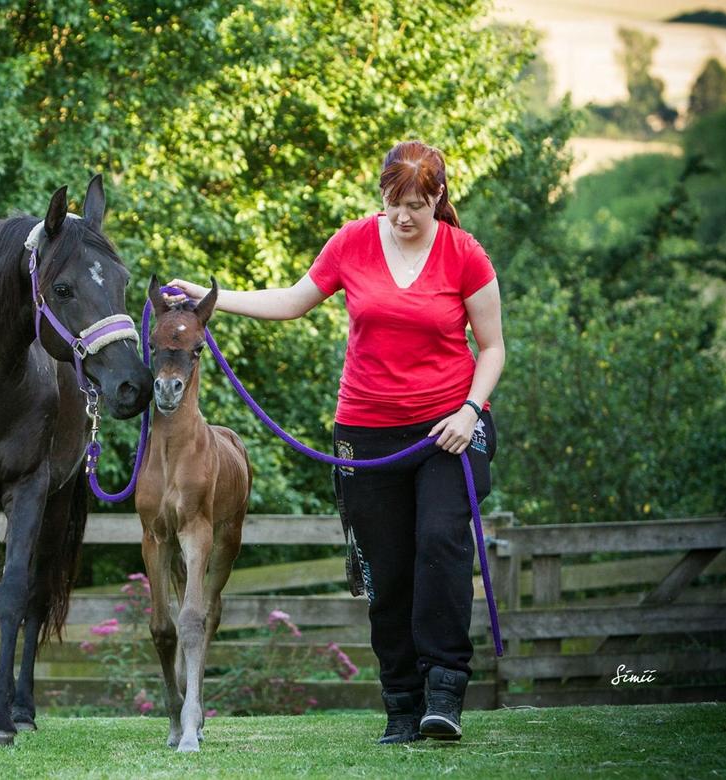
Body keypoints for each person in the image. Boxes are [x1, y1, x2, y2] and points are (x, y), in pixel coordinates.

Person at [167, 140, 504, 743]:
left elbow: (494, 347)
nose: (403, 218)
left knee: (438, 547)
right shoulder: (351, 241)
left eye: (417, 206)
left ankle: (445, 691)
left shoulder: (464, 254)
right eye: (393, 203)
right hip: (366, 432)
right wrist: (207, 298)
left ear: (439, 199)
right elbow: (294, 300)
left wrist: (471, 411)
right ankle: (402, 706)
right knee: (386, 568)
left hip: (448, 431)